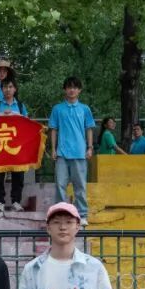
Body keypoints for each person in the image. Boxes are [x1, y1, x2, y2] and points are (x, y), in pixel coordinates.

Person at [49, 76, 96, 226]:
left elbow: (89, 128)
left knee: (80, 186)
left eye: (75, 87)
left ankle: (82, 214)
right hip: (62, 152)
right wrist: (53, 148)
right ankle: (61, 213)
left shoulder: (85, 109)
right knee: (60, 184)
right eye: (69, 87)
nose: (72, 90)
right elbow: (54, 129)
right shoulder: (57, 109)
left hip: (80, 152)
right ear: (65, 89)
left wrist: (90, 147)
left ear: (79, 90)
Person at [0, 78, 29, 212]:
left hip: (16, 145)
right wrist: (1, 116)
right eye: (5, 87)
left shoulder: (21, 106)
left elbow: (26, 124)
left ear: (15, 89)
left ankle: (16, 201)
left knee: (18, 175)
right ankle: (0, 201)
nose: (8, 90)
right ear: (1, 90)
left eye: (10, 87)